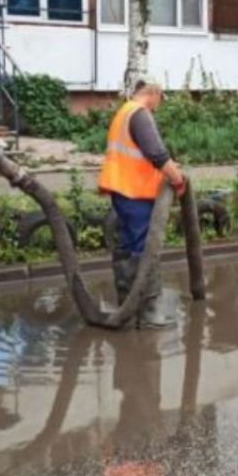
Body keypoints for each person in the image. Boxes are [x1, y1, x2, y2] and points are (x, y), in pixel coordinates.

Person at [97, 79, 186, 328]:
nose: (159, 106)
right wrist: (177, 179)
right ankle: (148, 312)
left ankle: (127, 305)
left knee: (128, 244)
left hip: (123, 190)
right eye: (160, 100)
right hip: (136, 193)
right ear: (154, 94)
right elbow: (157, 153)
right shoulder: (140, 114)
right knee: (145, 248)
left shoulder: (124, 112)